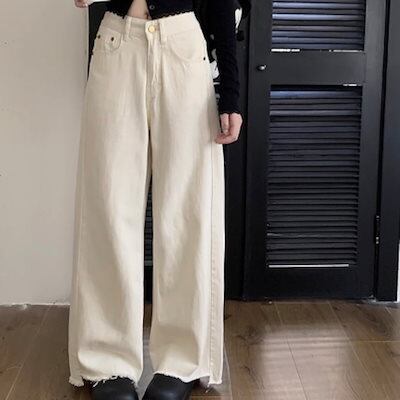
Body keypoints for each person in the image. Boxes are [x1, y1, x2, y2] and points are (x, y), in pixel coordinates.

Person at [68, 0, 249, 399]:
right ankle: (106, 362)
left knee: (187, 216)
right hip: (117, 44)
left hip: (184, 47)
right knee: (108, 210)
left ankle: (182, 362)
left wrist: (231, 94)